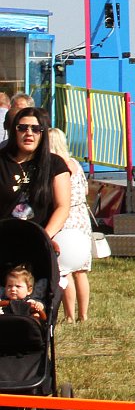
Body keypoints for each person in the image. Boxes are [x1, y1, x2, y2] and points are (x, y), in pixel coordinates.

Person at [0, 107, 69, 243]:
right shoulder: (2, 161)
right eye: (22, 128)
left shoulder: (55, 164)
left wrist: (43, 238)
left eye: (36, 129)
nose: (29, 133)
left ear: (43, 133)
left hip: (39, 242)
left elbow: (62, 207)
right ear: (14, 131)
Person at [48, 129, 93, 322]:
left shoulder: (55, 167)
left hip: (65, 217)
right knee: (81, 271)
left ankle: (69, 316)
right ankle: (83, 314)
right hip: (82, 217)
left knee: (65, 269)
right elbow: (86, 190)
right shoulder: (75, 163)